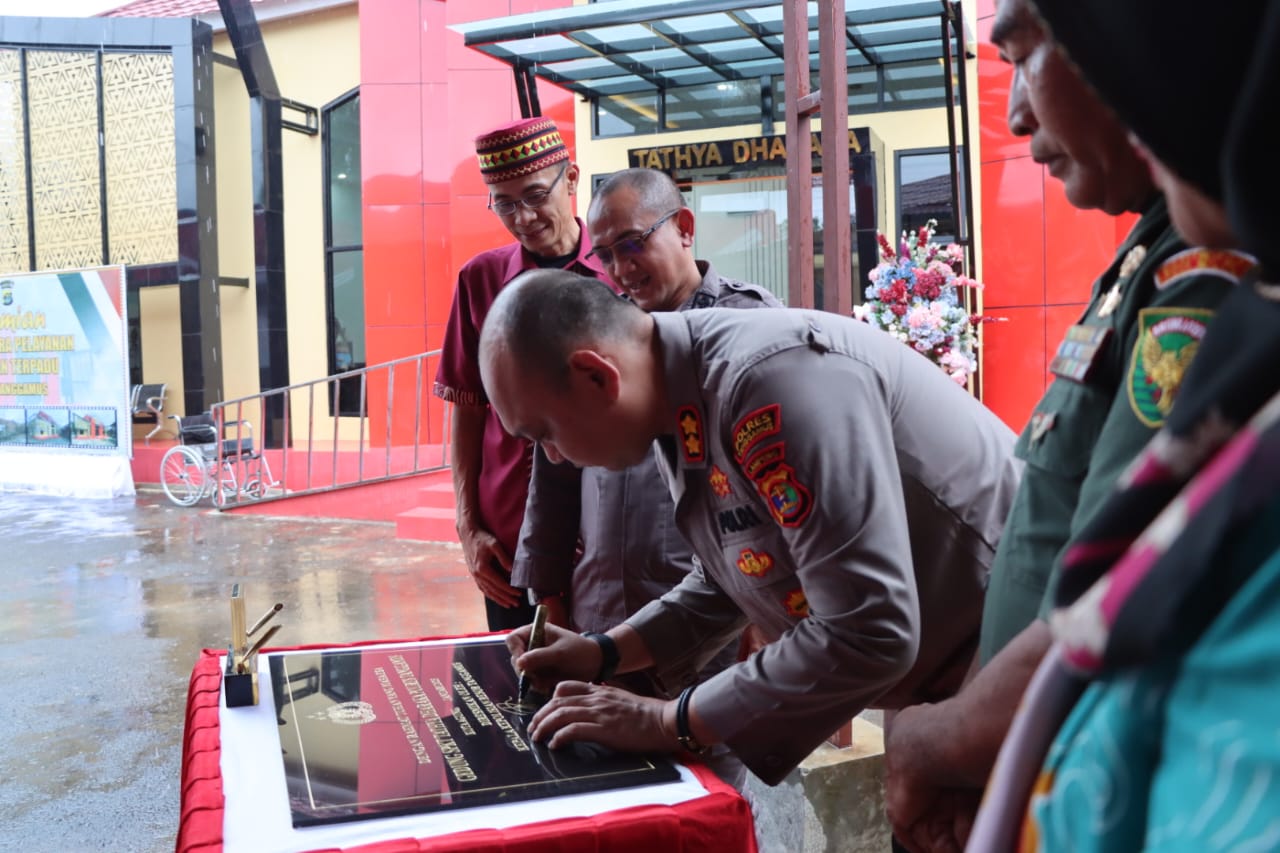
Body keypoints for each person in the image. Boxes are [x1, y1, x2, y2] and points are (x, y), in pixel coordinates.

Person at [882, 0, 1249, 846]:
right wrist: (973, 732)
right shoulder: (1148, 257)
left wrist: (937, 740)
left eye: (1022, 53)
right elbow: (1042, 549)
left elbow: (1123, 588)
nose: (1013, 111)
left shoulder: (1205, 274)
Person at [480, 269, 1022, 786]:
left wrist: (668, 722)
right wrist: (604, 652)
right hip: (956, 678)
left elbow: (867, 629)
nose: (553, 456)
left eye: (544, 433)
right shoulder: (681, 395)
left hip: (1021, 665)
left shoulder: (766, 381)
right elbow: (732, 577)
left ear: (597, 375)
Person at [512, 168, 779, 687]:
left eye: (632, 244)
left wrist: (764, 618)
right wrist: (547, 594)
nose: (620, 269)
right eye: (606, 255)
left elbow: (774, 506)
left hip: (714, 626)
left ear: (683, 227)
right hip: (600, 611)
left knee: (702, 753)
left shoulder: (749, 331)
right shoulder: (601, 332)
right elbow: (555, 475)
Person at [432, 117, 609, 631]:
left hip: (609, 536)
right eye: (503, 203)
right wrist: (468, 526)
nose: (523, 217)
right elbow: (466, 406)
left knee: (612, 687)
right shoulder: (481, 280)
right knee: (522, 689)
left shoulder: (621, 267)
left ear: (571, 180)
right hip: (509, 543)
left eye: (535, 195)